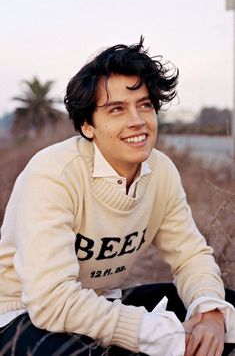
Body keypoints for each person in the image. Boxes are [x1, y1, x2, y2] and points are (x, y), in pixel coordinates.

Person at [0, 37, 234, 356]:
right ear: (87, 125)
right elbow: (51, 301)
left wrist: (210, 314)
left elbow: (190, 255)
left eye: (145, 105)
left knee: (225, 307)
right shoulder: (54, 172)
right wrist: (167, 337)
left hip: (102, 303)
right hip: (22, 315)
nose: (136, 121)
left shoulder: (161, 171)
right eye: (116, 109)